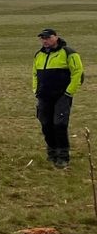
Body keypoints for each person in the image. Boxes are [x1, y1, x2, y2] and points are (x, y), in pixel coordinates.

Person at [32, 28, 84, 168]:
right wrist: (36, 90)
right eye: (42, 38)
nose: (45, 40)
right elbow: (35, 74)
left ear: (56, 37)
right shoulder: (39, 55)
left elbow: (78, 73)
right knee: (46, 124)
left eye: (48, 38)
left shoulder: (69, 53)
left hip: (62, 96)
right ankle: (52, 151)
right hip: (44, 96)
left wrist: (69, 93)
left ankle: (63, 156)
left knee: (59, 125)